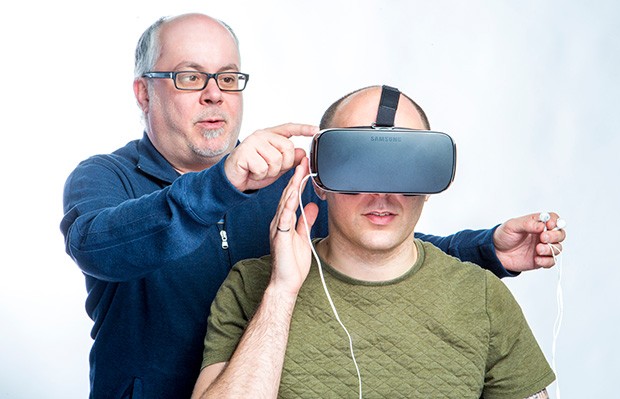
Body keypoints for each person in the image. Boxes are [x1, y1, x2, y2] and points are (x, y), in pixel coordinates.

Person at [60, 13, 565, 399]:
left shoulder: (285, 183)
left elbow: (367, 235)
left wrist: (487, 250)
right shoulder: (104, 178)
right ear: (143, 93)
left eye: (229, 77)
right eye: (190, 78)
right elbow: (100, 247)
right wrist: (223, 185)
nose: (214, 95)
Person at [192, 86, 557, 399]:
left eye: (404, 167)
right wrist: (281, 292)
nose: (381, 192)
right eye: (357, 165)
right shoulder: (249, 287)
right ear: (318, 179)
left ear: (428, 185)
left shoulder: (483, 298)